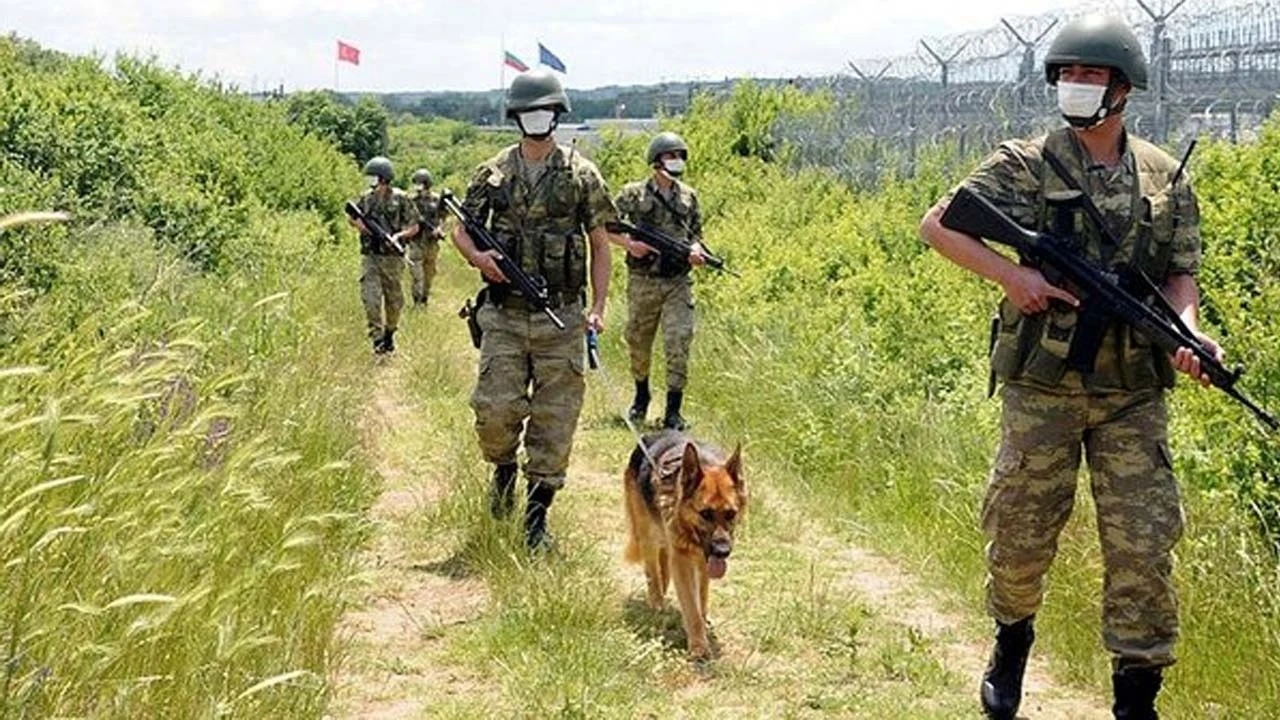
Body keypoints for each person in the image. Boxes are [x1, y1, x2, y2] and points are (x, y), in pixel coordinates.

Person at [918, 14, 1221, 720]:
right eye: (1068, 75)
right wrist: (1010, 278)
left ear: (1123, 88)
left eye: (1091, 75)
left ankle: (1136, 696)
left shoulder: (1164, 177)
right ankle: (1012, 639)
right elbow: (939, 224)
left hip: (1133, 391)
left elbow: (1180, 275)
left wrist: (1190, 333)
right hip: (1043, 386)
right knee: (1020, 536)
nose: (1077, 86)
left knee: (1145, 547)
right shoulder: (1026, 164)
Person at [452, 69, 617, 550]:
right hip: (503, 315)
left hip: (561, 317)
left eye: (545, 111)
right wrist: (476, 257)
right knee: (494, 411)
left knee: (555, 420)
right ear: (516, 118)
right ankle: (502, 470)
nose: (537, 119)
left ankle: (536, 517)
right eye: (529, 112)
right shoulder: (493, 172)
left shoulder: (581, 175)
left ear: (558, 115)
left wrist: (598, 307)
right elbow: (461, 226)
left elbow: (601, 244)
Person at [615, 131, 710, 430]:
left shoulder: (688, 196)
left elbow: (697, 235)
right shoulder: (633, 194)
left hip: (677, 281)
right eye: (671, 156)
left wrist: (696, 251)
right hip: (643, 280)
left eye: (680, 156)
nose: (677, 161)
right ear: (656, 161)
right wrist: (630, 245)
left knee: (679, 340)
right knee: (638, 341)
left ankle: (673, 410)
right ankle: (641, 395)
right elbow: (604, 226)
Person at [350, 156, 420, 354]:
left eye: (373, 177)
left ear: (384, 178)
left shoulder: (402, 198)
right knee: (370, 299)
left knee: (394, 301)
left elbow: (414, 226)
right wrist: (361, 227)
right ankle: (377, 339)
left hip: (393, 259)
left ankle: (389, 333)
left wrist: (398, 236)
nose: (369, 181)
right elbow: (352, 217)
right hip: (370, 256)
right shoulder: (365, 198)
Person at [408, 168, 444, 306]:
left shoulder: (437, 199)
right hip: (416, 241)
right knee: (417, 273)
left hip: (432, 242)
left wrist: (439, 229)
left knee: (429, 272)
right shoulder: (411, 201)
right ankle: (417, 300)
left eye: (420, 183)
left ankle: (424, 298)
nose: (417, 187)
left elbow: (443, 217)